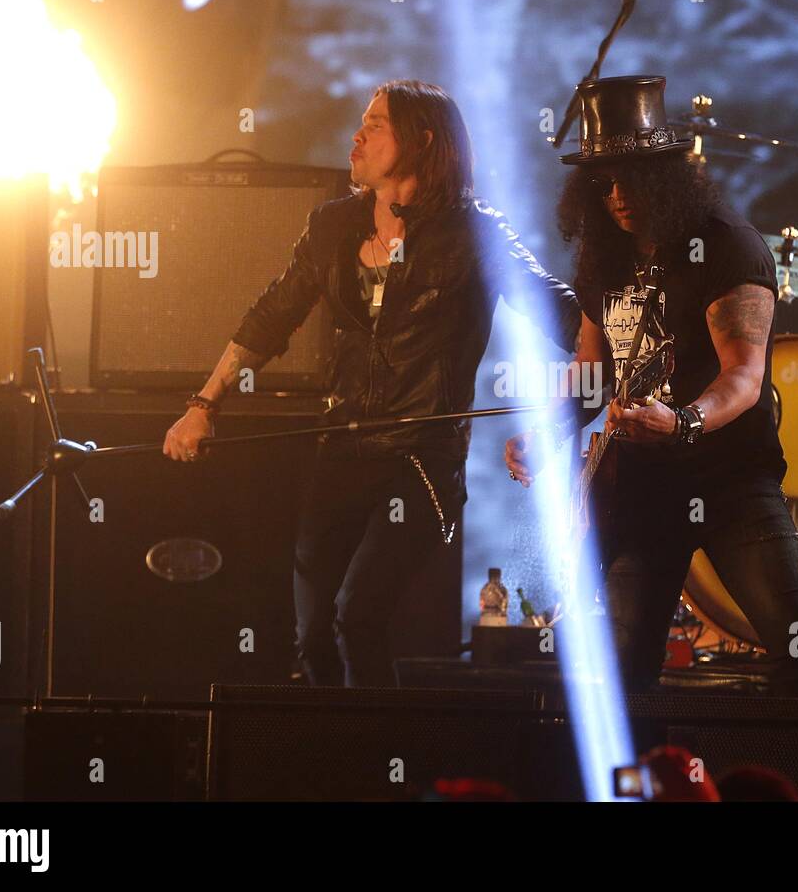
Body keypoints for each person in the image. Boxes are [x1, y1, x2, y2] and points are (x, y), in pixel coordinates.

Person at [164, 79, 579, 687]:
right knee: (309, 636)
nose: (357, 135)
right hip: (342, 448)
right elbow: (272, 316)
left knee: (356, 614)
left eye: (376, 124)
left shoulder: (475, 233)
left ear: (422, 140)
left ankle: (385, 768)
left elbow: (561, 313)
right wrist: (204, 404)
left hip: (423, 461)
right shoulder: (333, 225)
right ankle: (339, 764)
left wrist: (580, 394)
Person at [505, 75, 798, 697]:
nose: (619, 195)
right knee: (625, 675)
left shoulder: (726, 245)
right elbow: (593, 371)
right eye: (604, 183)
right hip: (642, 488)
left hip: (730, 478)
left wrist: (680, 421)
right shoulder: (605, 253)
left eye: (633, 177)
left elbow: (743, 375)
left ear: (668, 174)